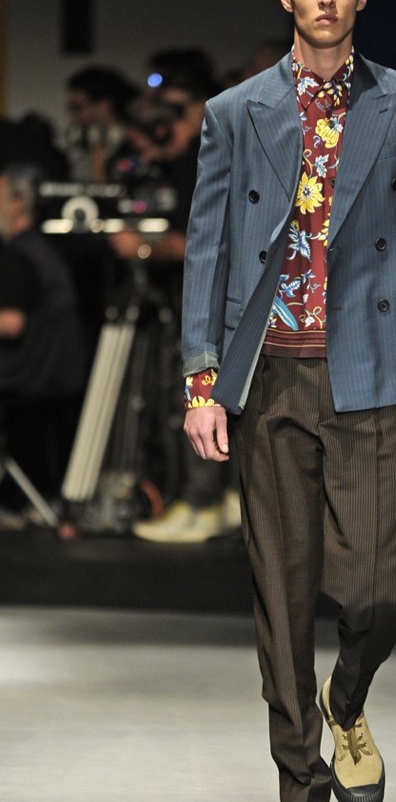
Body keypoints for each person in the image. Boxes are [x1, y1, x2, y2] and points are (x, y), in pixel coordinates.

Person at [182, 0, 396, 802]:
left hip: (373, 367)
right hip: (269, 372)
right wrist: (201, 381)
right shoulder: (236, 113)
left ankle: (345, 700)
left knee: (383, 591)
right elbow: (208, 251)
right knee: (282, 593)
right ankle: (300, 796)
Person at [108, 59, 239, 543]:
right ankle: (214, 499)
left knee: (203, 394)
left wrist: (143, 247)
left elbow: (207, 243)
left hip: (212, 300)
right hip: (195, 297)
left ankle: (204, 502)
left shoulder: (207, 158)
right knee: (198, 396)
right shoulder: (178, 162)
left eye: (175, 112)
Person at [0, 156, 88, 524]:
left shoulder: (17, 254)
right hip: (55, 374)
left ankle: (12, 500)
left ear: (18, 202)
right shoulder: (43, 250)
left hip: (28, 375)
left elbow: (11, 323)